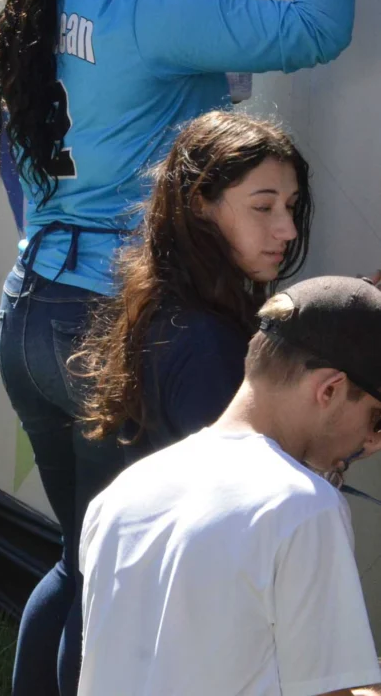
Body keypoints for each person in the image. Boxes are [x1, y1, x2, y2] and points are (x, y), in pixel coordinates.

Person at [0, 0, 354, 696]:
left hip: (30, 311)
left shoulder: (39, 12)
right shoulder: (157, 8)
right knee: (115, 576)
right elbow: (317, 28)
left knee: (82, 557)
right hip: (112, 326)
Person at [78, 276, 381, 696]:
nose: (373, 443)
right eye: (376, 420)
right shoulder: (305, 507)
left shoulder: (118, 496)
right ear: (329, 389)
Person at [73, 110, 311, 456]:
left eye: (291, 207)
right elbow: (239, 493)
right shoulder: (205, 343)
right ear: (199, 205)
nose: (287, 230)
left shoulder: (168, 306)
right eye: (263, 207)